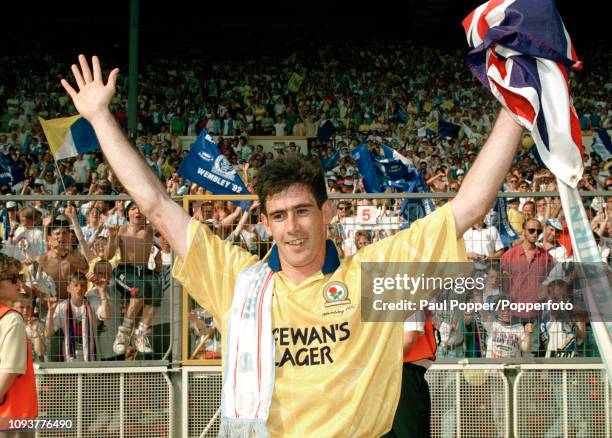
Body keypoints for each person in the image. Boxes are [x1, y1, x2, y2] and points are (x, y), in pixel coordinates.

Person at [61, 55, 524, 437]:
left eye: (303, 211)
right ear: (265, 222)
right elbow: (156, 204)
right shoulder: (239, 284)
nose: (293, 228)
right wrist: (101, 117)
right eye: (279, 216)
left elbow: (469, 207)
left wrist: (516, 105)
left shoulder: (371, 279)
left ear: (327, 214)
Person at [107, 201, 160, 355]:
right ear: (127, 213)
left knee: (156, 287)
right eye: (133, 208)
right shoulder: (121, 230)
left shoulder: (150, 230)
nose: (137, 212)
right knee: (140, 289)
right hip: (125, 271)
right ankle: (122, 334)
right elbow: (108, 255)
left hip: (144, 271)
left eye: (141, 208)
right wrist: (111, 238)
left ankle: (141, 333)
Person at [0, 254, 38, 436]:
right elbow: (8, 374)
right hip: (12, 418)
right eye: (14, 279)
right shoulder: (12, 319)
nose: (19, 284)